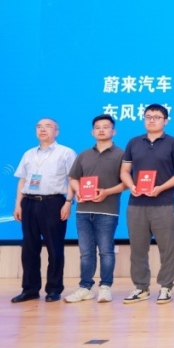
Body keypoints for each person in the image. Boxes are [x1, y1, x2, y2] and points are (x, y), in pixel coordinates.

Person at [119, 104, 174, 305]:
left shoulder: (173, 143)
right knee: (138, 249)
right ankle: (141, 287)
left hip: (163, 203)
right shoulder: (134, 142)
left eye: (157, 117)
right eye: (148, 116)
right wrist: (131, 186)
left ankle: (166, 287)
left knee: (168, 249)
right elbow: (124, 171)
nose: (152, 120)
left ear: (165, 121)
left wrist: (161, 188)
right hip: (136, 204)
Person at [11, 118, 76, 303]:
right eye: (39, 127)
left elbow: (73, 180)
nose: (43, 129)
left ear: (57, 131)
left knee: (54, 248)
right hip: (29, 202)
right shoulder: (29, 154)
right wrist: (18, 204)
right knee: (29, 248)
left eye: (48, 126)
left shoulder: (66, 152)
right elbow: (22, 180)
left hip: (53, 203)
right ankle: (30, 289)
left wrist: (68, 202)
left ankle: (54, 289)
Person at [65, 114, 125, 303]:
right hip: (83, 211)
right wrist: (78, 191)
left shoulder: (122, 155)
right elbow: (73, 178)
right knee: (86, 253)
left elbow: (126, 183)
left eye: (106, 127)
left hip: (107, 210)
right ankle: (85, 288)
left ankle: (105, 287)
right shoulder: (84, 154)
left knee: (106, 251)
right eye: (98, 127)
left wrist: (106, 192)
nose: (101, 130)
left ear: (113, 131)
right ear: (92, 132)